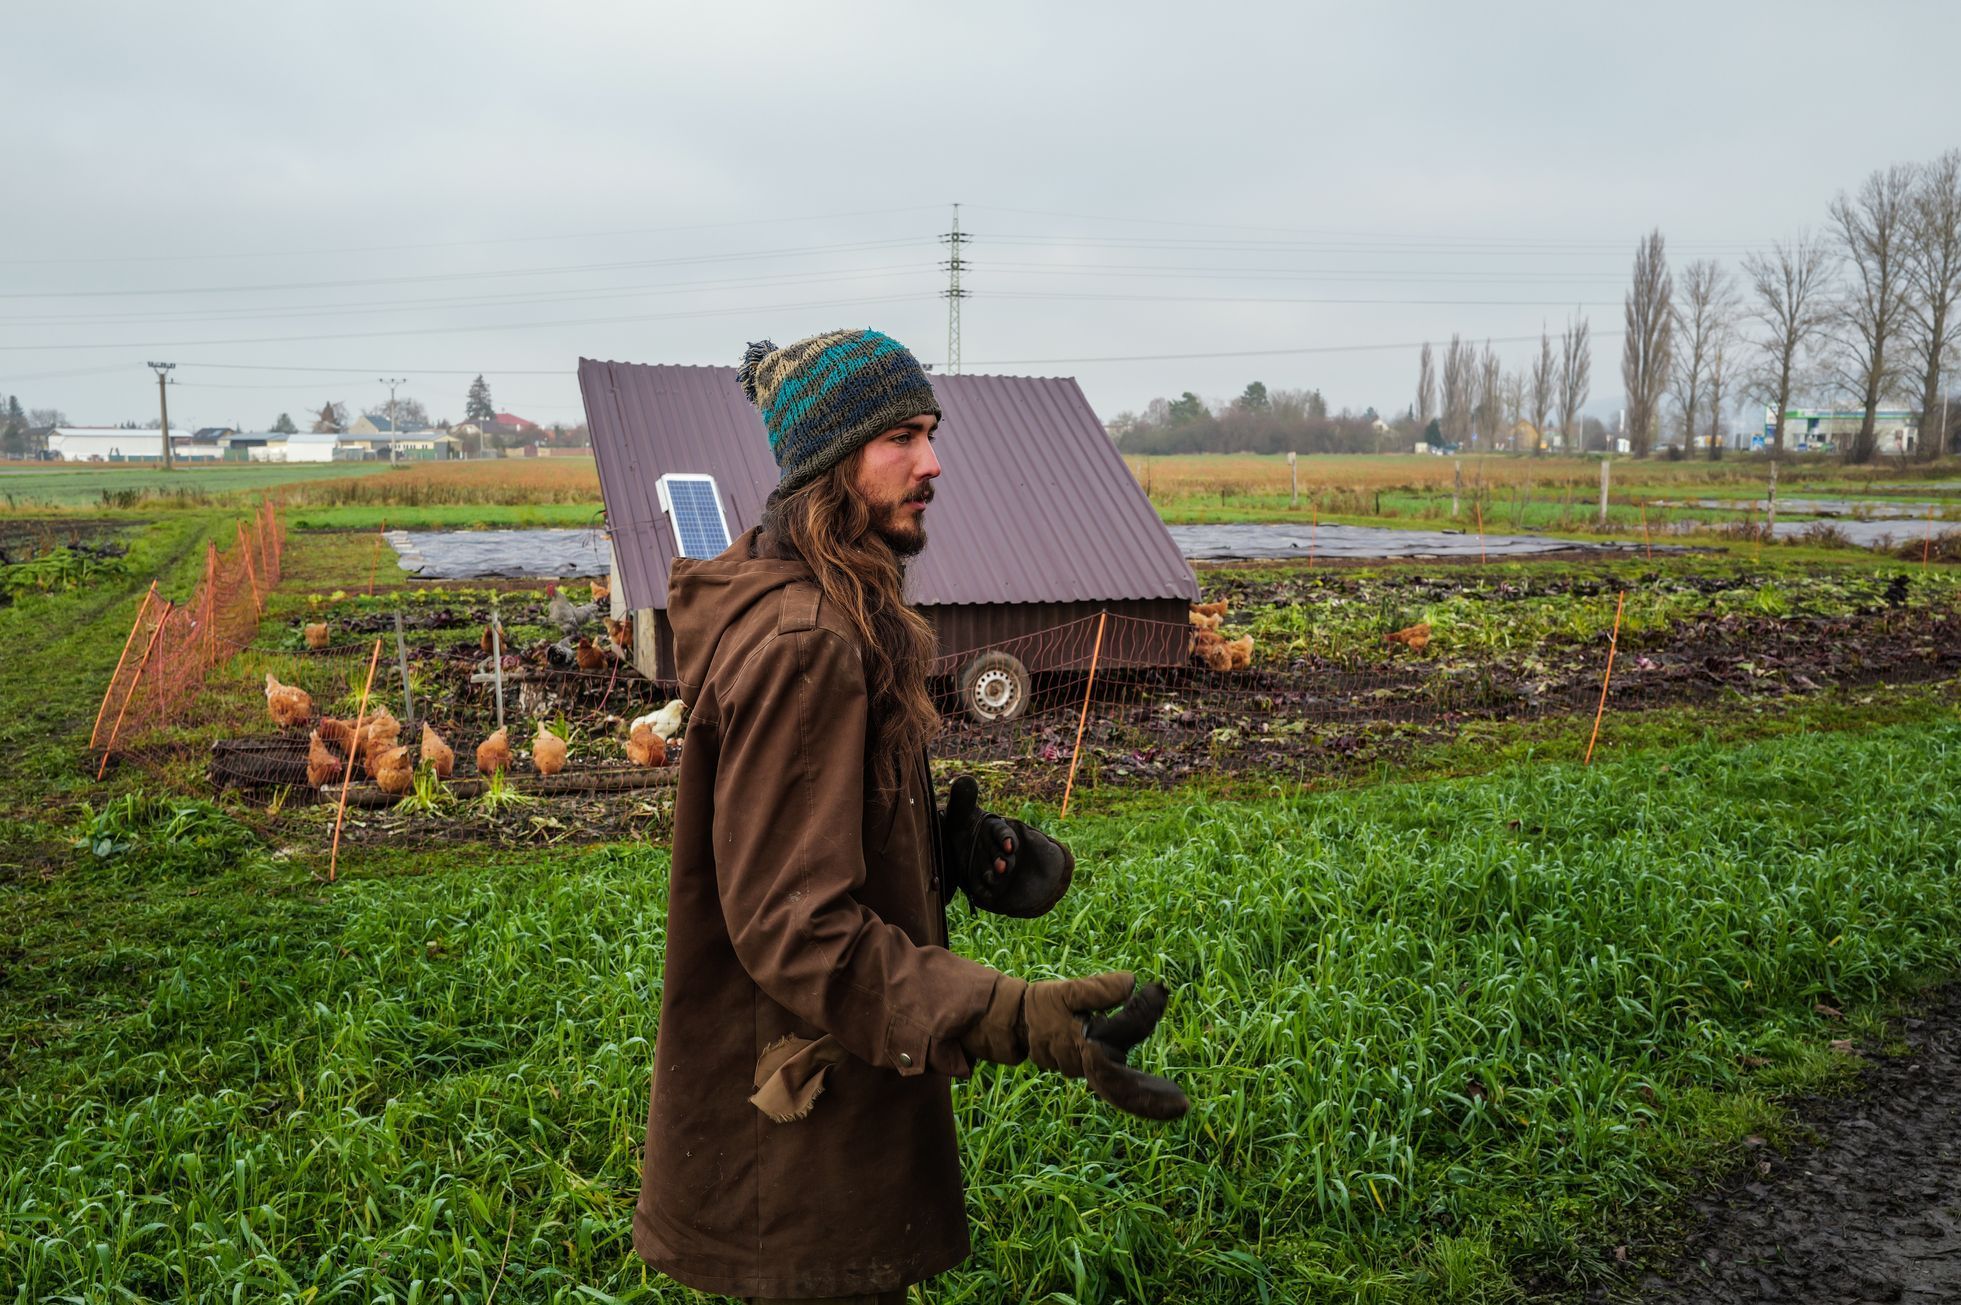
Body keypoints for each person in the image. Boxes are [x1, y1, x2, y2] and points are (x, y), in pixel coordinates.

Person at [632, 329, 1186, 1304]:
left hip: (823, 1087)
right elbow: (797, 930)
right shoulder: (804, 642)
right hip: (801, 1123)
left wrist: (944, 849)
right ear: (827, 462)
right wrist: (1018, 1016)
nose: (932, 462)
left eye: (929, 432)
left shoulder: (834, 603)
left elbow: (805, 826)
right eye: (900, 436)